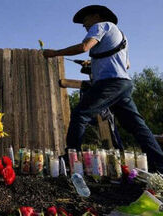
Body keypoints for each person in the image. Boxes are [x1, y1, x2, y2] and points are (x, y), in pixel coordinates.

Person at [43, 5, 163, 173]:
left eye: (85, 20)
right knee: (136, 125)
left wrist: (54, 53)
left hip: (110, 83)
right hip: (123, 83)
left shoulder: (101, 26)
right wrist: (93, 64)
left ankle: (71, 157)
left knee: (80, 113)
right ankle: (159, 164)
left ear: (96, 16)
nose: (84, 25)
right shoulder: (121, 35)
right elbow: (126, 64)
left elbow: (84, 47)